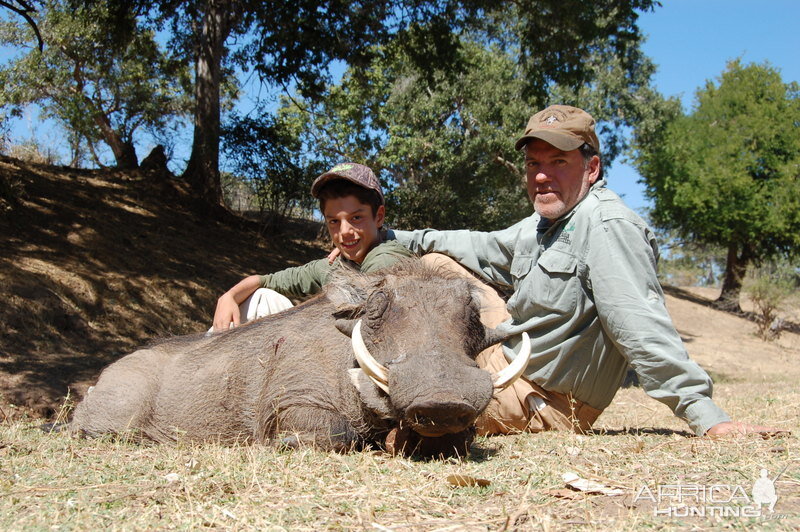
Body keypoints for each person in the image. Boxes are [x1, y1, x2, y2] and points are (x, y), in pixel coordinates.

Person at [386, 105, 786, 438]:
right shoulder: (541, 225)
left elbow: (639, 325)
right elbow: (476, 245)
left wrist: (707, 417)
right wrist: (383, 236)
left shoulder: (608, 226)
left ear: (591, 168)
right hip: (506, 360)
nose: (542, 175)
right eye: (533, 163)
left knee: (405, 415)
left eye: (558, 161)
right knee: (432, 262)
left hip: (540, 400)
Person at [212, 162, 412, 332]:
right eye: (334, 221)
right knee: (260, 298)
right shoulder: (336, 265)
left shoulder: (387, 259)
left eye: (356, 218)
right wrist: (228, 297)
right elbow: (266, 281)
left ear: (378, 217)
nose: (344, 232)